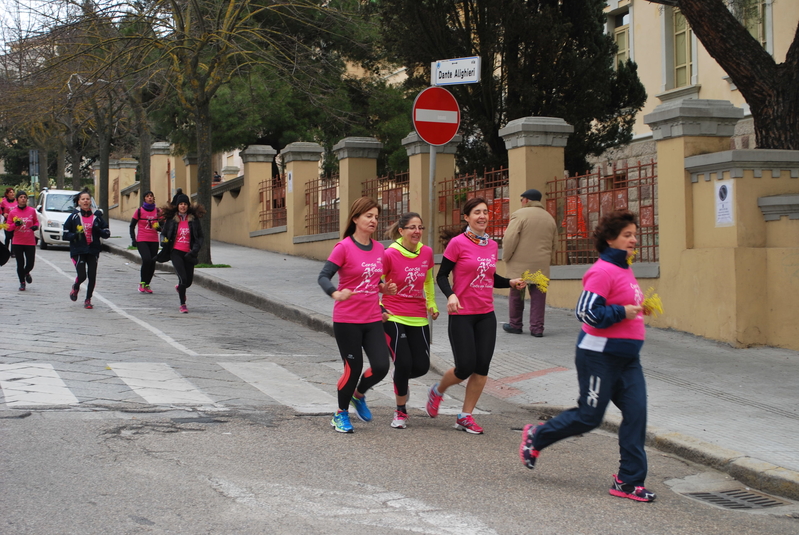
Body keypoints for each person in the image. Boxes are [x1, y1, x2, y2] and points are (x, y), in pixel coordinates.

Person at [519, 210, 656, 503]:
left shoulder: (624, 269)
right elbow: (586, 312)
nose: (634, 239)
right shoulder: (602, 270)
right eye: (627, 235)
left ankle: (629, 481)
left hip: (628, 360)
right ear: (611, 239)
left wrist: (639, 310)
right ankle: (537, 436)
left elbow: (622, 305)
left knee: (636, 415)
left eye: (634, 234)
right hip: (599, 357)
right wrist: (623, 312)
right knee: (589, 417)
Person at [427, 197, 526, 434]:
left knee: (482, 368)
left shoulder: (491, 245)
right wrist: (451, 295)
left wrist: (510, 282)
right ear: (467, 217)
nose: (483, 216)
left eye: (486, 212)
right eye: (477, 212)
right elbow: (441, 276)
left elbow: (488, 276)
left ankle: (465, 415)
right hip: (462, 313)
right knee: (464, 367)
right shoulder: (457, 243)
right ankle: (437, 391)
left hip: (486, 313)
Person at [317, 196, 395, 434]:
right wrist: (335, 293)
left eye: (376, 217)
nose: (373, 221)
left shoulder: (380, 248)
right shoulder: (344, 247)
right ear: (356, 218)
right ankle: (340, 414)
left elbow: (373, 280)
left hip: (372, 318)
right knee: (353, 368)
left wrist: (383, 289)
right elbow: (323, 276)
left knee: (381, 366)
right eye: (368, 216)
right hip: (347, 320)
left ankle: (358, 395)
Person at [381, 212, 439, 429]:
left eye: (420, 228)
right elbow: (375, 280)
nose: (417, 231)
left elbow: (429, 281)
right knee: (403, 362)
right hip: (393, 314)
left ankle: (400, 378)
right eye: (412, 227)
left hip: (418, 315)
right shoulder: (390, 254)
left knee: (422, 367)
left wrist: (432, 304)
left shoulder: (427, 253)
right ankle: (400, 412)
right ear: (401, 230)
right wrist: (379, 305)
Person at [501, 188, 557, 337]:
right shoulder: (549, 218)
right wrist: (548, 259)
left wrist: (506, 257)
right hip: (541, 264)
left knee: (517, 293)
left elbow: (510, 238)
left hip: (520, 264)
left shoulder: (519, 215)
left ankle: (515, 324)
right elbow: (554, 244)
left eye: (521, 200)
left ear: (526, 200)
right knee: (539, 296)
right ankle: (537, 328)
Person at [157, 189, 205, 313]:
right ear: (177, 206)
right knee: (182, 278)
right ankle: (182, 304)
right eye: (180, 204)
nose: (183, 206)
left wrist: (195, 249)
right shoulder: (172, 220)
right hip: (176, 252)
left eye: (185, 204)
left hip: (189, 253)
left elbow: (199, 236)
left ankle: (181, 288)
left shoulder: (193, 220)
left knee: (188, 281)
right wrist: (163, 241)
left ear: (188, 206)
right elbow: (163, 234)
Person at [63, 188, 111, 309]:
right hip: (78, 250)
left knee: (92, 275)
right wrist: (75, 235)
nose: (85, 201)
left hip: (93, 250)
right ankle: (76, 286)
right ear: (78, 202)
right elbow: (65, 234)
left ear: (91, 201)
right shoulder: (74, 216)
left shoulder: (97, 216)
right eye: (83, 199)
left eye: (88, 199)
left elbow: (107, 233)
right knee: (82, 275)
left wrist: (98, 230)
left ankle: (88, 299)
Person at [6, 191, 39, 291]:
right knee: (20, 263)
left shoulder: (32, 211)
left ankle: (26, 272)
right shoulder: (13, 212)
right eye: (21, 197)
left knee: (30, 263)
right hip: (17, 242)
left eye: (25, 197)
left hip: (30, 241)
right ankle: (22, 282)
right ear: (17, 200)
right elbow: (8, 227)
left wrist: (35, 226)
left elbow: (36, 222)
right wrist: (15, 225)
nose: (23, 199)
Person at [129, 191, 161, 293]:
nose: (150, 198)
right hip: (142, 239)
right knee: (146, 259)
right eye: (147, 196)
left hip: (154, 240)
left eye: (151, 196)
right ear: (144, 199)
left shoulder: (158, 211)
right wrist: (133, 239)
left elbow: (164, 226)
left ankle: (147, 284)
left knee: (152, 262)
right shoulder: (139, 211)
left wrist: (158, 227)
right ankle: (142, 282)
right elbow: (132, 226)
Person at [1, 187, 16, 254]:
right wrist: (4, 214)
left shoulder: (17, 201)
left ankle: (13, 252)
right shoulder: (4, 202)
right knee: (8, 237)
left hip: (15, 221)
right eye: (10, 192)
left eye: (13, 192)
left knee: (13, 237)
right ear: (7, 194)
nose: (12, 194)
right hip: (7, 222)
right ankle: (6, 251)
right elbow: (1, 210)